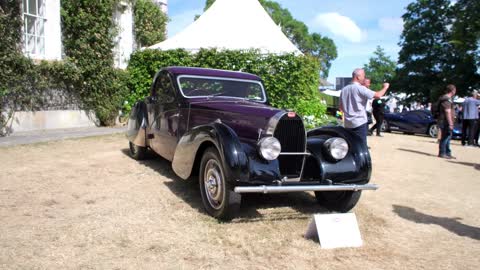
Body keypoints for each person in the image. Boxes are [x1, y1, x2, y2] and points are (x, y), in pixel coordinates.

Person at [340, 68, 389, 147]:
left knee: (351, 147)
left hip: (348, 124)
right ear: (358, 77)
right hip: (359, 123)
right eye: (363, 76)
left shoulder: (344, 90)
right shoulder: (361, 88)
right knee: (361, 147)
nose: (364, 78)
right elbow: (378, 95)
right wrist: (385, 87)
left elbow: (341, 107)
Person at [437, 84, 457, 159]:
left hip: (445, 121)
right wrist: (450, 123)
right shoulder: (446, 99)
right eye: (455, 90)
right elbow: (447, 111)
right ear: (453, 91)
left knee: (448, 137)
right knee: (445, 137)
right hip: (445, 121)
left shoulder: (447, 99)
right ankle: (442, 152)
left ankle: (447, 152)